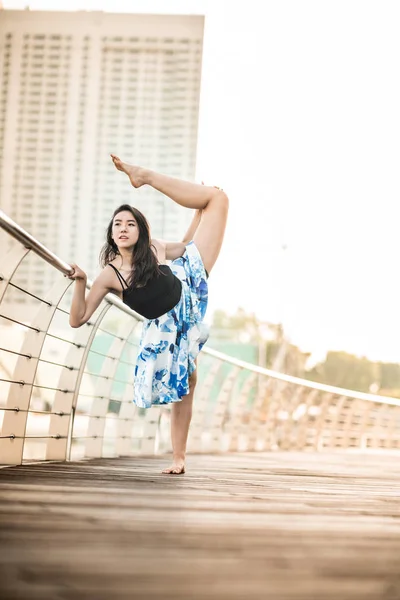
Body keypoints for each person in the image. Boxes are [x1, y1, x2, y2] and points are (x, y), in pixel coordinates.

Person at [68, 155, 228, 474]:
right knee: (188, 383)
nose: (124, 228)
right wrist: (81, 282)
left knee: (217, 196)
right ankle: (178, 457)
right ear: (112, 235)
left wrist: (198, 215)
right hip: (166, 325)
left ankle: (145, 176)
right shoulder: (110, 276)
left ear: (140, 231)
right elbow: (78, 318)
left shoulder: (154, 248)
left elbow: (184, 246)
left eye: (130, 223)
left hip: (189, 282)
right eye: (118, 224)